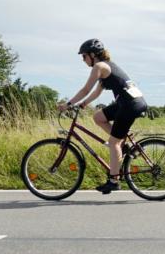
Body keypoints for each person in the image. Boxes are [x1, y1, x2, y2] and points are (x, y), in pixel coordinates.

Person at [60, 39, 148, 194]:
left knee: (113, 143)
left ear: (93, 55)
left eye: (84, 56)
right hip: (128, 102)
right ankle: (124, 145)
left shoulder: (99, 66)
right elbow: (96, 92)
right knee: (98, 117)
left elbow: (86, 89)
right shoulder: (107, 66)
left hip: (129, 104)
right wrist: (84, 104)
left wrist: (68, 104)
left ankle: (114, 181)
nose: (83, 60)